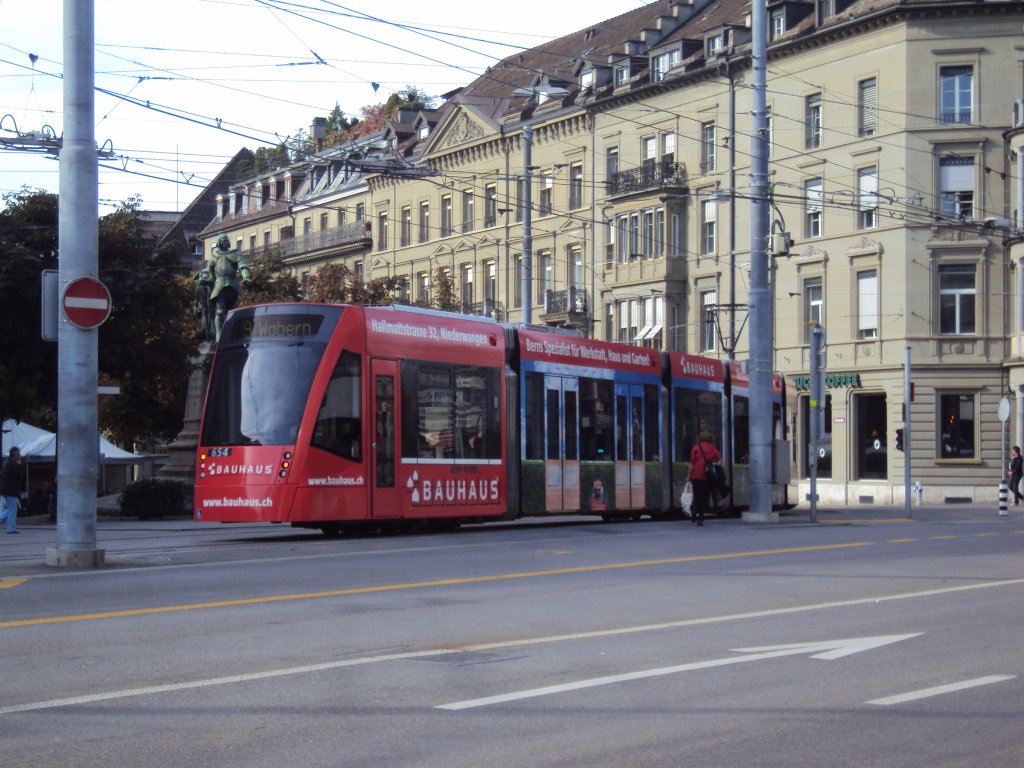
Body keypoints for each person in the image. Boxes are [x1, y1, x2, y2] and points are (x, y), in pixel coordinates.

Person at [198, 234, 250, 343]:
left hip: (232, 284)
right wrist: (203, 276)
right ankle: (218, 335)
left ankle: (233, 333)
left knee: (233, 311)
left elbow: (243, 266)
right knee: (220, 311)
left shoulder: (235, 254)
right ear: (219, 242)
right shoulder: (214, 255)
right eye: (223, 240)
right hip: (219, 284)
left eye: (227, 240)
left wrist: (246, 276)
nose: (226, 242)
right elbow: (208, 269)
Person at [687, 431, 722, 527]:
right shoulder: (712, 448)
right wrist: (714, 466)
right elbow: (720, 460)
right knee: (704, 498)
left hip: (695, 475)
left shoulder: (696, 447)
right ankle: (701, 519)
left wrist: (688, 476)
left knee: (696, 495)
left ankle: (693, 511)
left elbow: (691, 463)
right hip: (707, 476)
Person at [0, 446, 27, 534]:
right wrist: (20, 465)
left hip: (6, 490)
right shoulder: (13, 465)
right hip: (11, 490)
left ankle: (10, 527)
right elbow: (20, 476)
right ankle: (11, 528)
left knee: (9, 509)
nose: (19, 456)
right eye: (18, 454)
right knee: (12, 510)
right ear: (14, 454)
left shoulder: (5, 463)